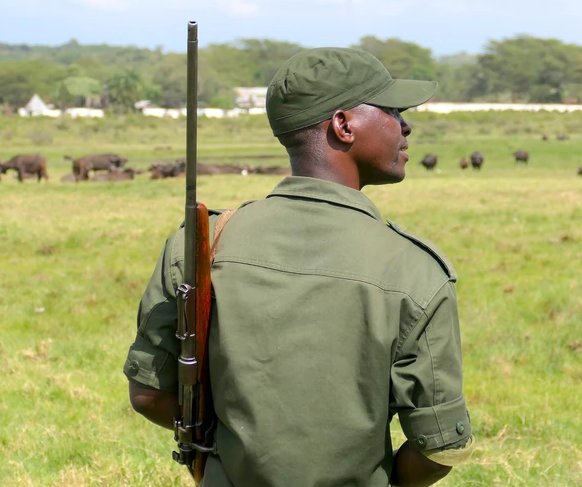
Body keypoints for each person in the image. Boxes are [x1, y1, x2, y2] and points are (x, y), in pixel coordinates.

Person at [124, 47, 474, 486]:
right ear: (343, 125)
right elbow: (441, 447)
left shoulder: (203, 245)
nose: (405, 126)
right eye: (391, 110)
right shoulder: (415, 270)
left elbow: (149, 394)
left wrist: (231, 451)